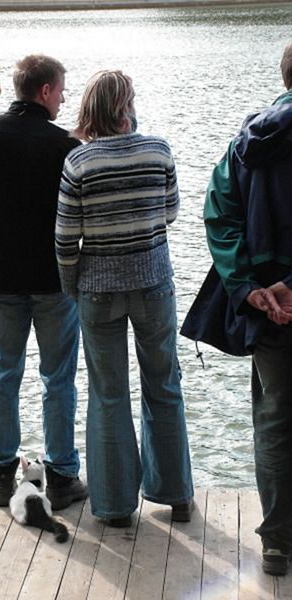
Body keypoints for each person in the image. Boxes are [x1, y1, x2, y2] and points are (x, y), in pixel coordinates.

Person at [0, 54, 87, 510]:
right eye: (61, 90)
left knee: (2, 375)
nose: (63, 99)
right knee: (58, 379)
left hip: (0, 277)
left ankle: (2, 477)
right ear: (44, 90)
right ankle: (62, 476)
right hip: (53, 280)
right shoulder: (64, 145)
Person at [55, 70, 194, 527]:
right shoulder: (159, 151)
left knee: (108, 394)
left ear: (90, 108)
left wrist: (71, 284)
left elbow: (65, 238)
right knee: (164, 386)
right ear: (127, 106)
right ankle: (175, 496)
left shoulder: (79, 162)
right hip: (154, 285)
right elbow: (170, 212)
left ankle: (114, 507)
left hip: (98, 291)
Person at [197, 41, 292, 576]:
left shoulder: (247, 142)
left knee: (275, 419)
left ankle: (276, 542)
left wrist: (249, 287)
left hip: (265, 308)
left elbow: (219, 215)